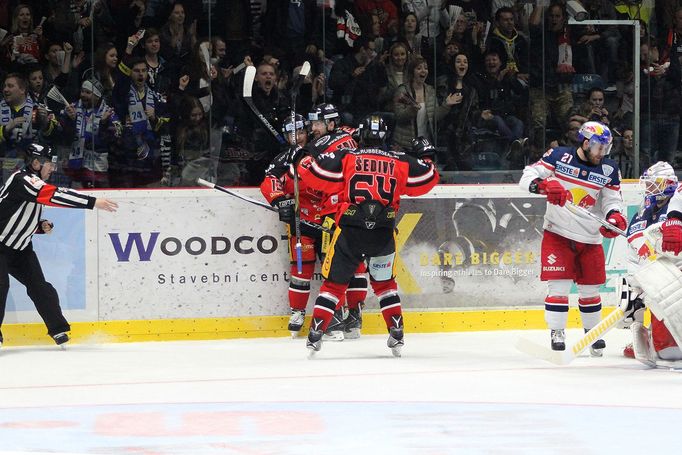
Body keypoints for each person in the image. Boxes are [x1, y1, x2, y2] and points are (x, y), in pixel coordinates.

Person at [299, 114, 439, 356]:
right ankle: (397, 334)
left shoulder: (347, 156)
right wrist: (427, 155)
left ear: (361, 136)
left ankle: (315, 335)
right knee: (385, 285)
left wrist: (305, 155)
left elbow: (311, 174)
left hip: (350, 231)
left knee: (333, 285)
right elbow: (428, 178)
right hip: (382, 234)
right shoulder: (400, 160)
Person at [519, 121, 625, 355]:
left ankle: (592, 332)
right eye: (599, 148)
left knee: (590, 290)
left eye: (606, 149)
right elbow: (527, 176)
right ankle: (557, 331)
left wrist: (614, 216)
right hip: (558, 232)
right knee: (559, 286)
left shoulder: (608, 168)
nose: (602, 153)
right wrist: (543, 186)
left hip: (590, 236)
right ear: (586, 142)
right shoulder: (558, 156)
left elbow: (612, 200)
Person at [0, 143, 118, 348]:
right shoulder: (23, 179)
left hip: (20, 247)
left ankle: (57, 329)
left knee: (40, 287)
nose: (53, 168)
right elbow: (54, 195)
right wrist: (92, 202)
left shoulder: (33, 182)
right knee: (1, 286)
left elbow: (13, 213)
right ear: (36, 163)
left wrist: (38, 226)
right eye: (49, 163)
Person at [621, 161, 679, 362]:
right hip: (657, 276)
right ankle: (652, 335)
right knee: (627, 296)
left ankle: (658, 340)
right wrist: (636, 283)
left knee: (670, 352)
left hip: (673, 276)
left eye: (653, 184)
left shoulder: (676, 206)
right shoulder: (645, 210)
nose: (648, 188)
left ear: (667, 184)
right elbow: (634, 240)